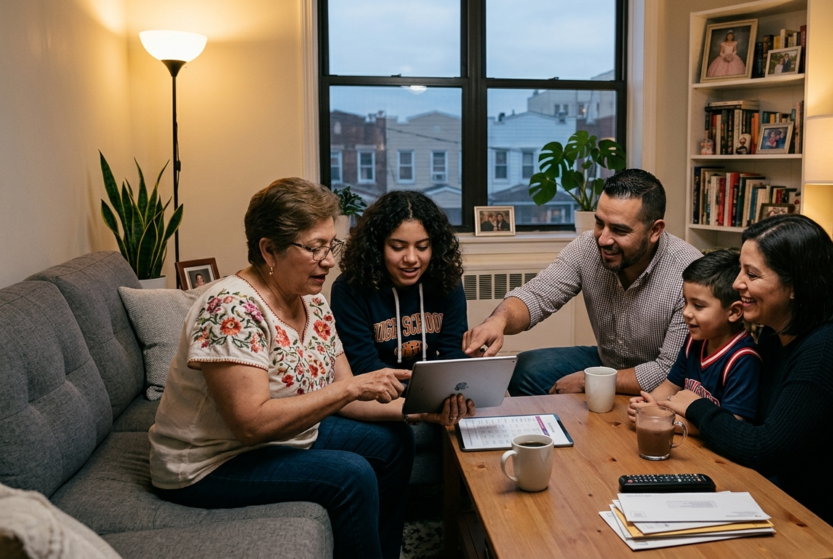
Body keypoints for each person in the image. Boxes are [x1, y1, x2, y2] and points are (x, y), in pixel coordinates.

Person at [149, 178, 414, 559]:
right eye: (315, 248)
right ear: (269, 250)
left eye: (331, 245)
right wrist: (352, 388)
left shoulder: (314, 302)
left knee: (394, 441)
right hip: (209, 463)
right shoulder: (232, 308)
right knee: (350, 474)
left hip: (283, 439)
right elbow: (250, 424)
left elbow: (347, 397)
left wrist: (419, 409)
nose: (329, 260)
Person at [659, 214, 833, 559]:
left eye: (752, 274)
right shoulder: (773, 336)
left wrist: (695, 406)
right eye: (740, 271)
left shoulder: (828, 351)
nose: (737, 284)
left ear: (795, 285)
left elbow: (763, 449)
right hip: (812, 505)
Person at [462, 169, 703, 396]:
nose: (603, 239)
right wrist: (498, 321)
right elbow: (537, 295)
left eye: (619, 230)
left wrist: (588, 381)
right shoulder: (587, 246)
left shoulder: (688, 272)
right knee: (524, 371)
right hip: (606, 361)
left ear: (655, 230)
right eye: (600, 223)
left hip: (662, 381)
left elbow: (668, 371)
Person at [331, 190, 475, 426]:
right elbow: (363, 365)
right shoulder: (349, 289)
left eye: (422, 246)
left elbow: (453, 353)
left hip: (432, 393)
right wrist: (422, 395)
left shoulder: (446, 281)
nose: (411, 258)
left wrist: (447, 391)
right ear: (378, 248)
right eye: (398, 247)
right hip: (377, 396)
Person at [627, 250, 761, 433]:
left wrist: (666, 422)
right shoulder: (694, 340)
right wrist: (647, 405)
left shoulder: (744, 359)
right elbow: (670, 385)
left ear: (734, 312)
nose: (686, 313)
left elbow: (732, 425)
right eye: (685, 302)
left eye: (698, 306)